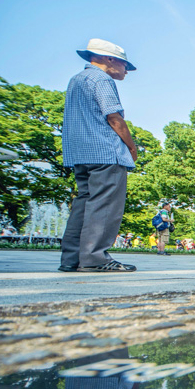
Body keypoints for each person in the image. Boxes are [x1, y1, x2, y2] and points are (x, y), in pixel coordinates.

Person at [59, 39, 138, 273]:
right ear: (109, 59)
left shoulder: (76, 80)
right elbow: (114, 117)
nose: (126, 71)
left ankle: (71, 259)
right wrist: (131, 147)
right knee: (105, 206)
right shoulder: (101, 79)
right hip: (105, 151)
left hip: (81, 152)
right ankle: (94, 258)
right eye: (125, 65)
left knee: (83, 204)